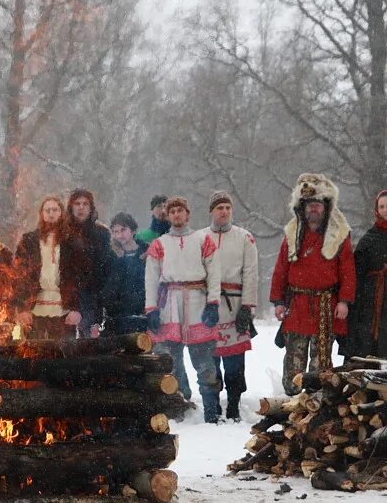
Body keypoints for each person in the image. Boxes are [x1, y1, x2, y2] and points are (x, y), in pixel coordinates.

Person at [271, 174, 356, 395]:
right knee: (294, 361)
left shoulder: (339, 234)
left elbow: (347, 270)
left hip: (326, 305)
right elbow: (281, 269)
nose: (313, 210)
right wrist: (278, 301)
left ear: (325, 207)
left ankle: (317, 407)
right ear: (302, 207)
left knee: (321, 364)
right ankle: (291, 404)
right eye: (310, 205)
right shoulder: (292, 233)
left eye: (317, 205)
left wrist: (345, 301)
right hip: (297, 305)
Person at [144, 196, 223, 422]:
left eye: (181, 211)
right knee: (171, 360)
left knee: (205, 362)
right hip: (170, 303)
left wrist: (213, 303)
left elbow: (214, 273)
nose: (177, 215)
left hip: (198, 302)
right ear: (167, 216)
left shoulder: (203, 239)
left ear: (188, 214)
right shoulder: (160, 244)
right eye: (173, 211)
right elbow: (151, 278)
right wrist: (151, 309)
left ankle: (211, 410)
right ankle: (179, 407)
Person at [207, 191, 259, 421]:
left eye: (228, 207)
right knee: (209, 359)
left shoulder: (245, 237)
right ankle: (213, 402)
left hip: (235, 302)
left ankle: (234, 403)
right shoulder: (200, 238)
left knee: (235, 361)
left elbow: (251, 273)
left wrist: (247, 307)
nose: (224, 212)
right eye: (220, 208)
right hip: (207, 304)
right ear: (212, 211)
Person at [14, 196, 78, 340]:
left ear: (61, 213)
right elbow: (20, 276)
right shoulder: (28, 240)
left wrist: (76, 309)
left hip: (65, 309)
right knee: (34, 354)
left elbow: (78, 277)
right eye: (47, 210)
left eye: (55, 210)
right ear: (42, 214)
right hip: (35, 308)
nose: (51, 214)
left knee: (63, 355)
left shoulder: (71, 242)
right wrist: (23, 308)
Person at [344, 190, 387, 359]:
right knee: (368, 341)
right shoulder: (369, 239)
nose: (385, 210)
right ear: (376, 209)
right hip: (371, 300)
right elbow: (357, 274)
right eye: (381, 206)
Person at [65, 189, 114, 337]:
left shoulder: (102, 233)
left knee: (91, 341)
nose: (81, 207)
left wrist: (103, 295)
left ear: (91, 207)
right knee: (67, 344)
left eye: (85, 204)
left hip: (93, 295)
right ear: (71, 207)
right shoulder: (63, 233)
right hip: (68, 294)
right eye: (77, 203)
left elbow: (106, 267)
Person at [100, 212, 148, 335]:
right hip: (118, 316)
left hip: (141, 313)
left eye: (123, 230)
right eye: (116, 231)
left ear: (132, 230)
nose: (120, 235)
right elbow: (107, 284)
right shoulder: (111, 255)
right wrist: (110, 304)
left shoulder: (146, 253)